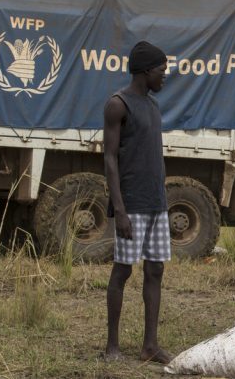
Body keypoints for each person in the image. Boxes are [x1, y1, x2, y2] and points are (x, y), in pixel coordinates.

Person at [103, 40, 172, 364]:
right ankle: (112, 347)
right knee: (122, 271)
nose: (165, 77)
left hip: (156, 202)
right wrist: (119, 211)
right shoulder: (118, 104)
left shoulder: (153, 105)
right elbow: (110, 159)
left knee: (155, 270)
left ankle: (150, 346)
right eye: (162, 71)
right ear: (146, 71)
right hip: (131, 204)